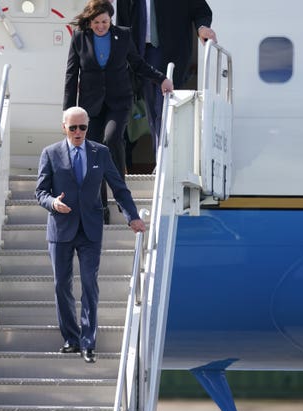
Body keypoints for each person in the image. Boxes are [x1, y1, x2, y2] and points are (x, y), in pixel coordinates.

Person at [35, 106, 146, 363]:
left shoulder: (101, 152)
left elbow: (119, 188)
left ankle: (88, 343)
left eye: (82, 127)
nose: (77, 132)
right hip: (61, 229)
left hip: (90, 229)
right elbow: (40, 192)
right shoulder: (50, 154)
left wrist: (132, 217)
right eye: (72, 127)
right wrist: (53, 203)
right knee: (61, 285)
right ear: (64, 127)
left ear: (87, 128)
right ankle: (71, 339)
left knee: (89, 284)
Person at [63, 0, 173, 223]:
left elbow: (138, 63)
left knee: (111, 139)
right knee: (92, 152)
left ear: (110, 19)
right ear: (90, 21)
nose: (101, 26)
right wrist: (68, 113)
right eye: (96, 22)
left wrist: (160, 78)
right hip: (89, 107)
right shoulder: (79, 38)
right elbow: (71, 75)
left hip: (119, 102)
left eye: (105, 21)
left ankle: (122, 197)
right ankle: (101, 206)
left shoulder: (122, 35)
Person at [116, 0, 217, 151]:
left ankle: (163, 159)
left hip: (168, 52)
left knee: (161, 107)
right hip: (140, 54)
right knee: (152, 111)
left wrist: (202, 27)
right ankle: (161, 158)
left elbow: (201, 9)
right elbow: (122, 21)